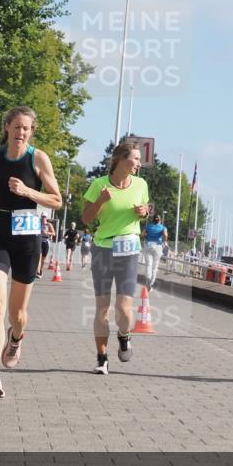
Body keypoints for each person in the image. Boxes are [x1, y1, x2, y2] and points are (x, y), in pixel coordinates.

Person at [0, 106, 62, 399]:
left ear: (31, 132)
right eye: (18, 127)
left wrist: (28, 192)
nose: (22, 133)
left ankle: (17, 337)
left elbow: (57, 199)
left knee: (18, 314)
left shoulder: (38, 158)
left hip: (26, 238)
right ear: (7, 127)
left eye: (27, 129)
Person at [82, 142, 149, 375]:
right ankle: (102, 358)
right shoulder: (99, 184)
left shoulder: (141, 184)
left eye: (140, 159)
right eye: (136, 158)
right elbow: (87, 218)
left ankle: (124, 335)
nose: (139, 163)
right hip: (102, 248)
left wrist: (145, 212)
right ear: (121, 159)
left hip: (129, 249)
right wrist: (100, 200)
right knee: (102, 308)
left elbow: (144, 208)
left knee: (124, 309)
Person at [141, 213, 168, 290]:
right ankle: (151, 283)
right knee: (155, 266)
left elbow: (142, 234)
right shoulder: (163, 227)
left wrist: (146, 236)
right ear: (160, 220)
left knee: (148, 265)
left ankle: (147, 281)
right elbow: (165, 235)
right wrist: (164, 241)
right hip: (158, 246)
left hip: (148, 245)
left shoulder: (148, 226)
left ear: (152, 220)